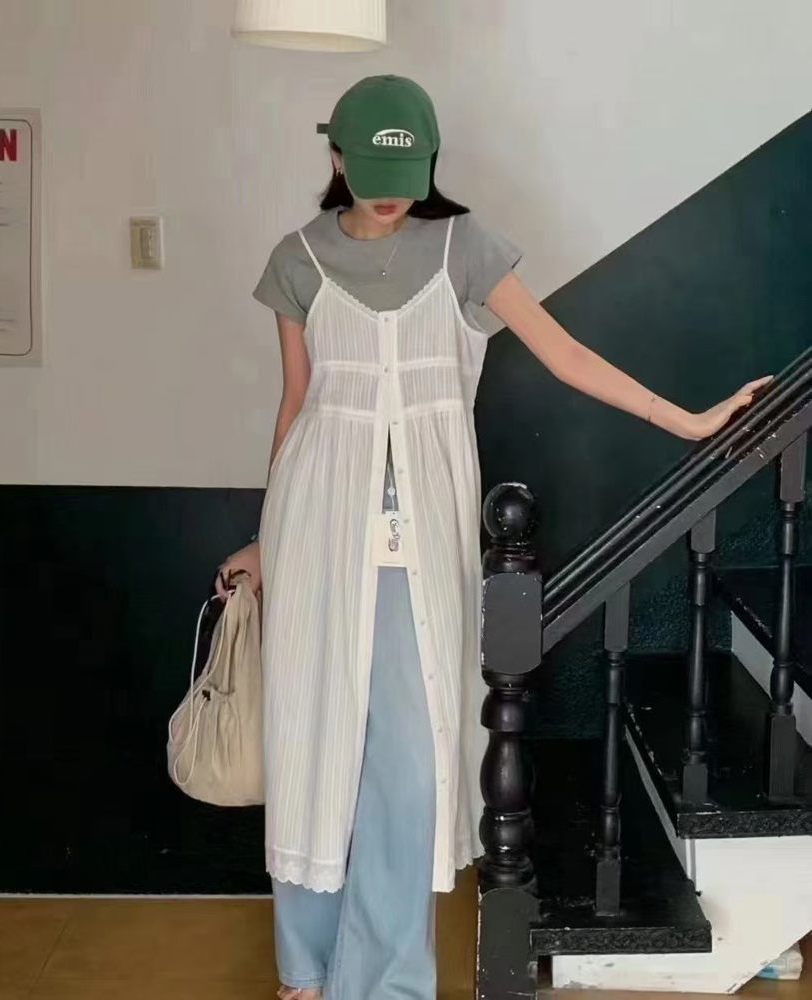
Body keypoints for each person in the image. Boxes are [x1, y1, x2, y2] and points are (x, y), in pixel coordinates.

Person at [216, 75, 769, 1000]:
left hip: (419, 544)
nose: (390, 195)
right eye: (371, 171)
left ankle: (382, 983)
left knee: (407, 761)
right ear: (336, 157)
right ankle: (305, 968)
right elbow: (295, 405)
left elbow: (565, 354)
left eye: (406, 174)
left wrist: (684, 419)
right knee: (310, 740)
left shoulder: (462, 248)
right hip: (313, 527)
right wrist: (265, 544)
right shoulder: (297, 259)